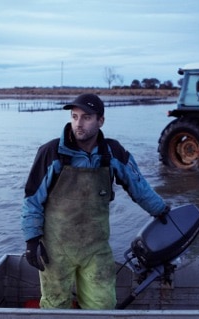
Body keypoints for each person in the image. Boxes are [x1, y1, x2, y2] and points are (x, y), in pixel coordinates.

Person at [21, 93, 170, 310]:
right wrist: (31, 240)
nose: (78, 124)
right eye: (74, 117)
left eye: (86, 117)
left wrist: (162, 211)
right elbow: (32, 199)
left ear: (101, 121)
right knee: (55, 306)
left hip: (96, 248)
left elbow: (139, 188)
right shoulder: (51, 153)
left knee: (103, 307)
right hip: (55, 250)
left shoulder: (112, 152)